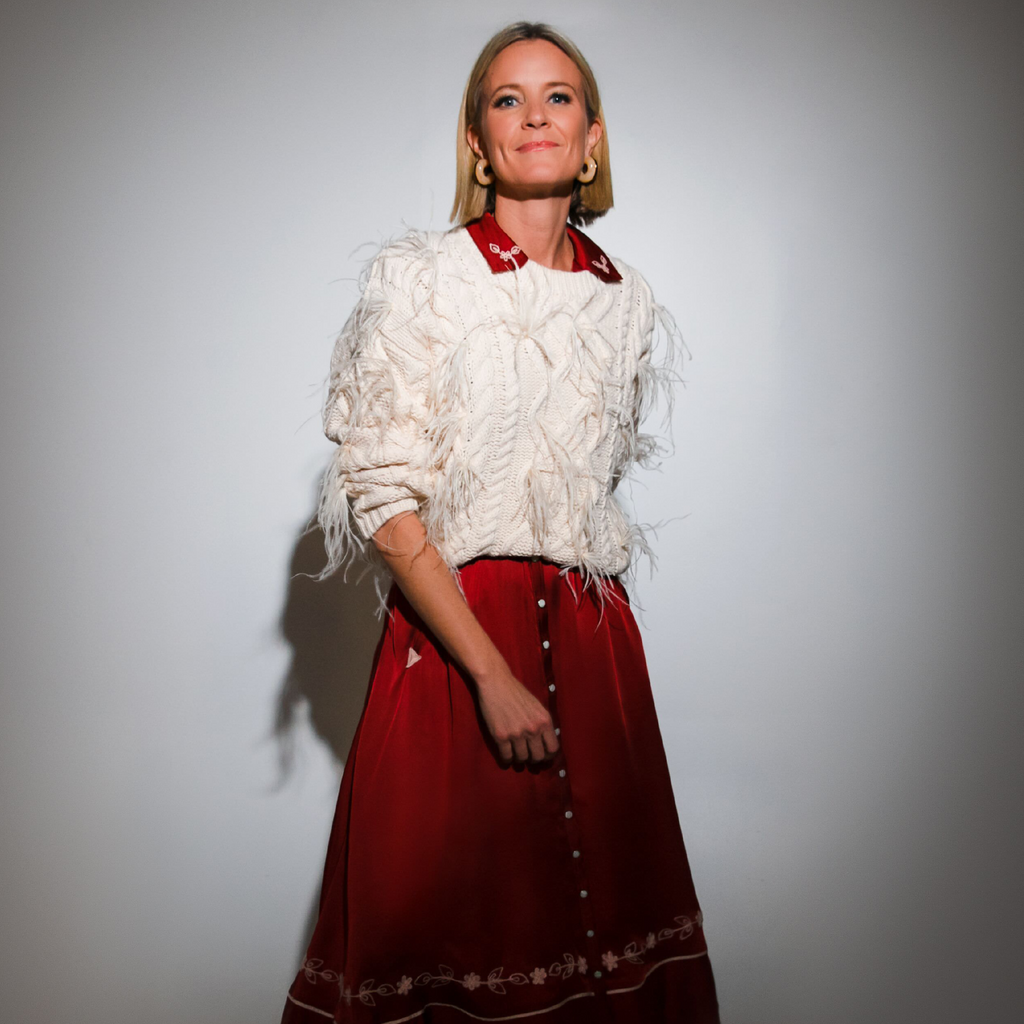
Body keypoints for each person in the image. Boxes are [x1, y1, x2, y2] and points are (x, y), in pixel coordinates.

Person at [282, 20, 721, 1024]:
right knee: (447, 923)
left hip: (592, 632)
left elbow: (582, 483)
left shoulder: (627, 300)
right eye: (507, 99)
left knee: (607, 928)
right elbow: (384, 498)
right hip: (457, 638)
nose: (535, 116)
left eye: (558, 96)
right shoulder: (421, 279)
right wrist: (487, 671)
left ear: (592, 138)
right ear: (478, 144)